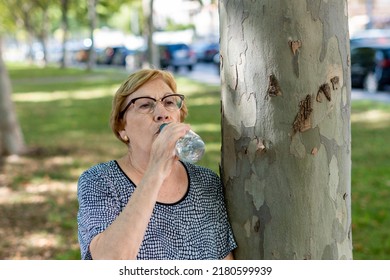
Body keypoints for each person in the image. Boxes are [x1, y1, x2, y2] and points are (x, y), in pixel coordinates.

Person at [77, 68, 237, 260]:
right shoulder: (99, 180)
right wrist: (156, 169)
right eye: (145, 105)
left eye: (169, 102)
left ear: (179, 116)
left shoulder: (207, 182)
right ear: (122, 128)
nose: (162, 113)